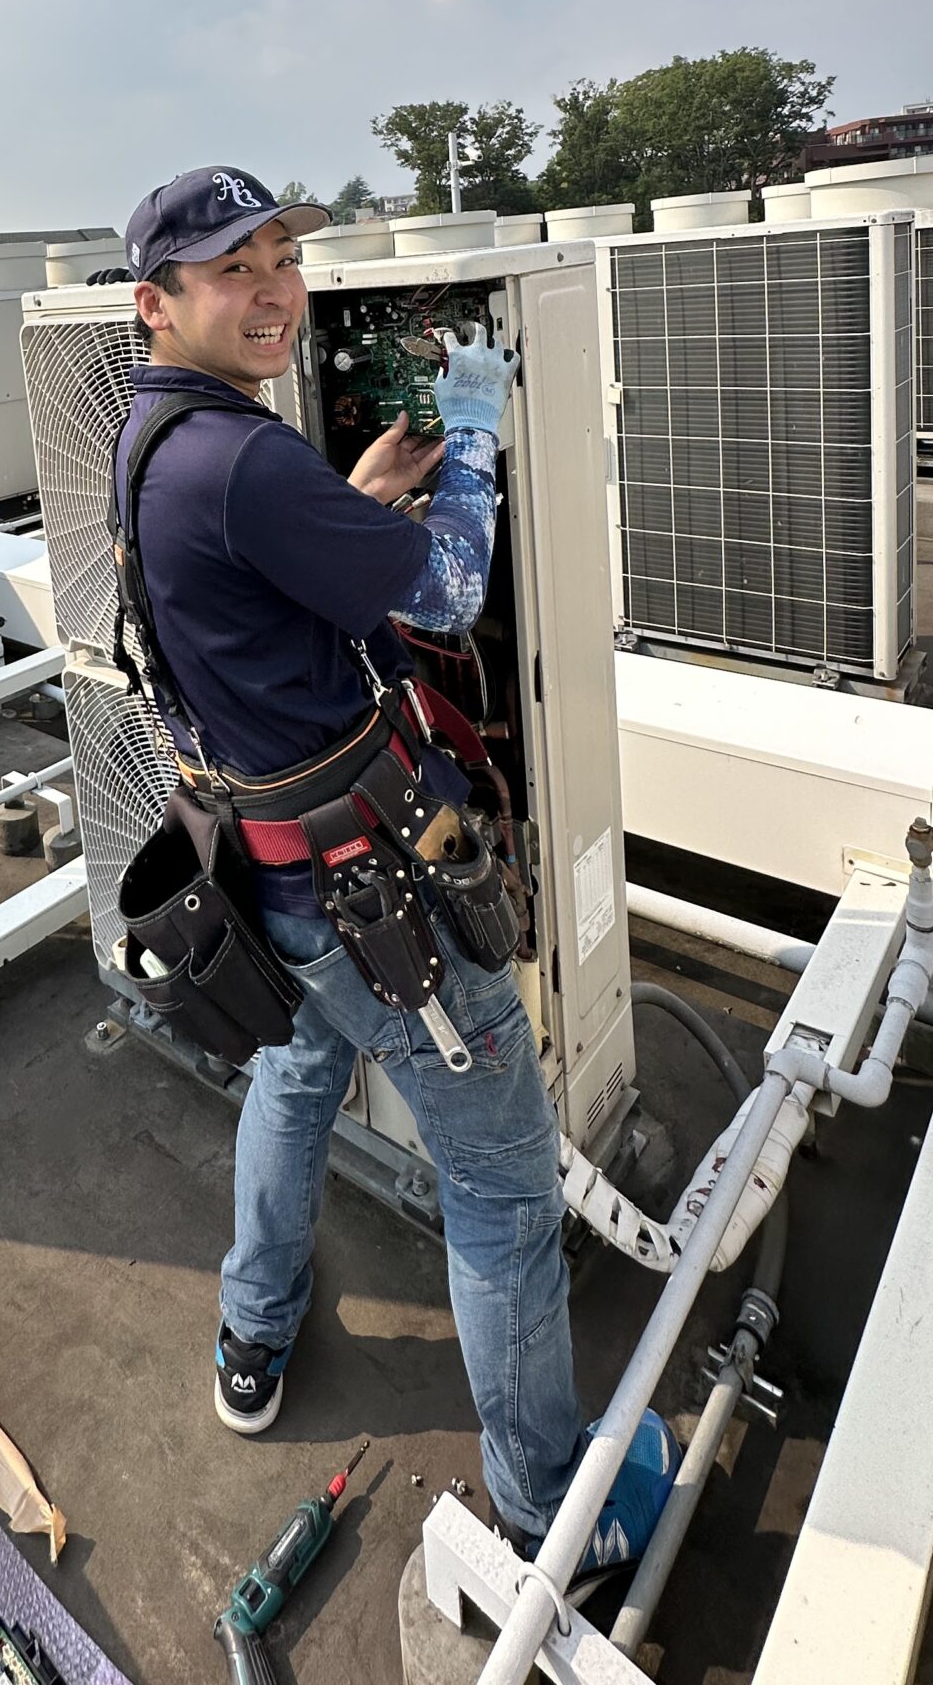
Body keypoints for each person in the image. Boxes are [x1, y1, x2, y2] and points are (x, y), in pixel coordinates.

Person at [114, 164, 678, 1571]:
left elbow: (266, 585)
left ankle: (253, 1332)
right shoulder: (239, 459)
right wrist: (475, 438)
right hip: (369, 908)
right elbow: (443, 592)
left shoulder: (160, 441)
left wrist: (347, 498)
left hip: (261, 879)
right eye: (230, 270)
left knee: (297, 1080)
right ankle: (552, 1504)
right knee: (499, 1191)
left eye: (281, 261)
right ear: (156, 301)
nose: (271, 292)